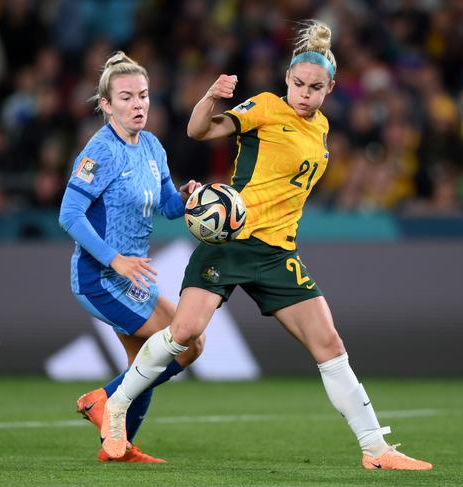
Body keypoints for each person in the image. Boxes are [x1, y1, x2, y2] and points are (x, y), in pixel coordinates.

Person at [100, 20, 433, 471]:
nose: (304, 94)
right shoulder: (266, 107)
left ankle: (375, 449)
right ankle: (116, 407)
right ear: (287, 82)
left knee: (329, 344)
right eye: (298, 84)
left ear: (330, 88)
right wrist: (212, 97)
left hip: (278, 253)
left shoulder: (322, 129)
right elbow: (200, 130)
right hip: (231, 239)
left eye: (315, 87)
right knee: (184, 333)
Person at [58, 51, 204, 463]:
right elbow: (69, 213)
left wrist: (187, 197)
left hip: (132, 278)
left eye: (143, 95)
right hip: (100, 278)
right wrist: (114, 259)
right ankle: (101, 400)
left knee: (146, 363)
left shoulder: (152, 146)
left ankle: (117, 446)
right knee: (188, 343)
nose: (138, 104)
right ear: (106, 105)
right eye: (126, 97)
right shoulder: (99, 150)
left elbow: (168, 206)